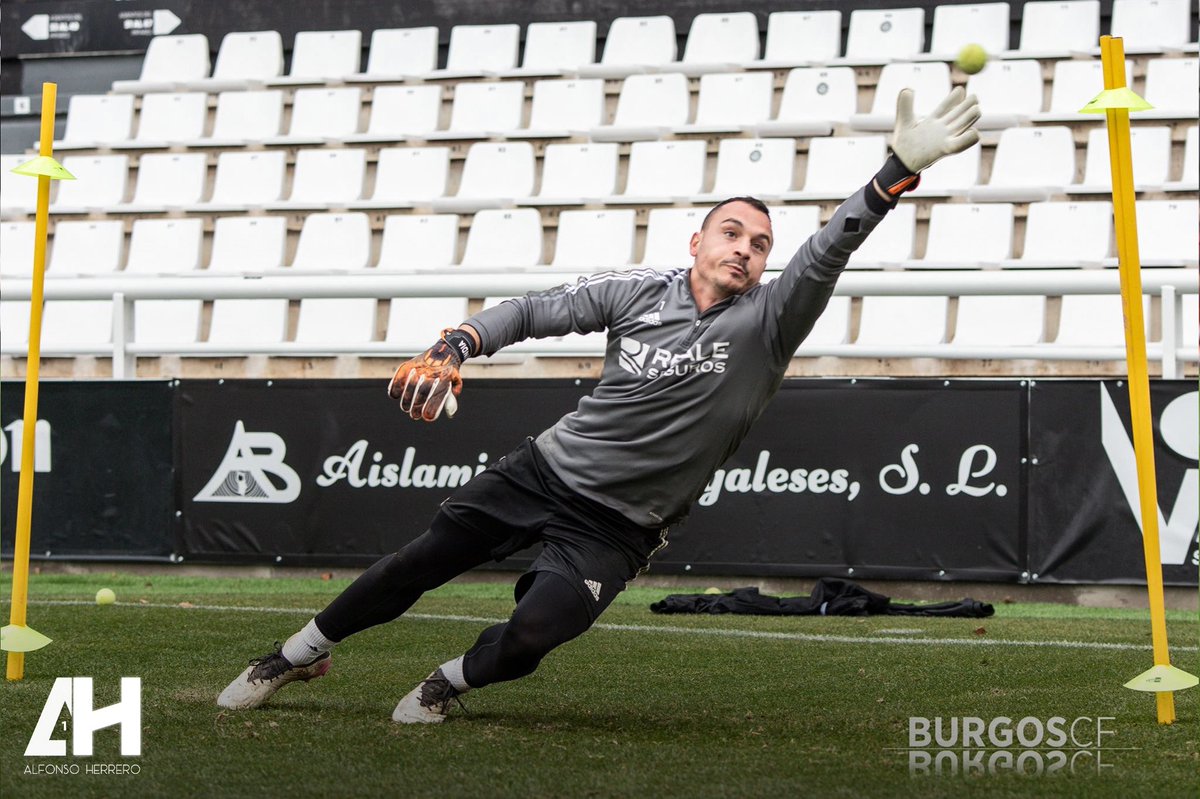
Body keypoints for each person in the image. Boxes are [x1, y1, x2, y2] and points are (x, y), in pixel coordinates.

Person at [218, 87, 981, 723]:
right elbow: (530, 311)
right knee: (415, 563)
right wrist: (459, 343)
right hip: (543, 472)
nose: (746, 248)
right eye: (731, 232)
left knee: (532, 635)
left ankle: (449, 680)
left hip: (619, 525)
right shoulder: (637, 292)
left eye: (759, 242)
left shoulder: (771, 321)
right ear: (697, 240)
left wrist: (891, 176)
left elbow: (829, 248)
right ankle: (293, 655)